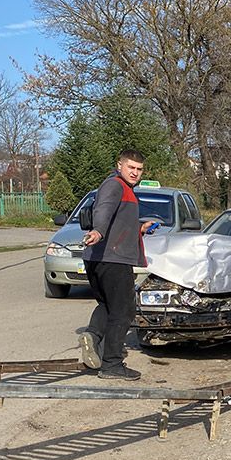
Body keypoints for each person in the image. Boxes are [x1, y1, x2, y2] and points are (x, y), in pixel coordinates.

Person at [78, 150, 155, 381]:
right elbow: (103, 210)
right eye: (131, 167)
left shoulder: (126, 190)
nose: (135, 172)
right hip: (112, 258)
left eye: (139, 169)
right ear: (119, 165)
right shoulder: (115, 186)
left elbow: (117, 221)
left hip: (100, 258)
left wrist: (139, 228)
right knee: (124, 311)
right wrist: (98, 231)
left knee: (108, 304)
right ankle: (112, 364)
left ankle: (92, 335)